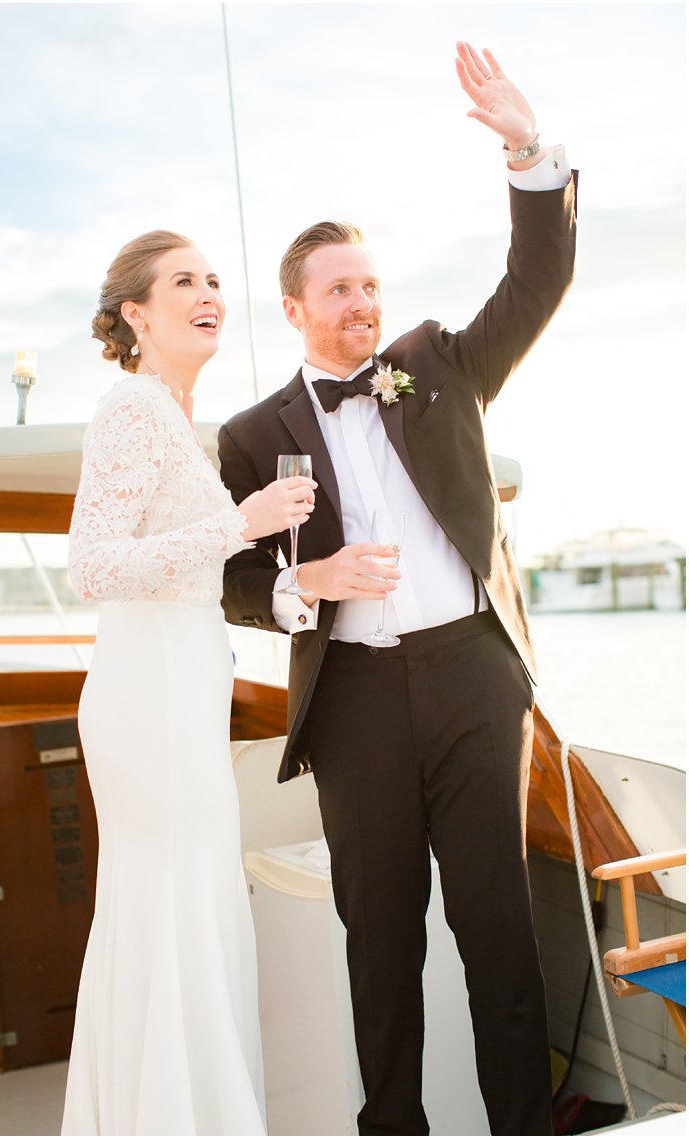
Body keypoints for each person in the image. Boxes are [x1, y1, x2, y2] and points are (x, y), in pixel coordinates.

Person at [216, 43, 576, 1136]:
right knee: (379, 937)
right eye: (338, 290)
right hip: (356, 698)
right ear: (294, 309)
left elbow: (537, 279)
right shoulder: (247, 433)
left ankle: (519, 1121)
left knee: (496, 926)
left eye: (370, 285)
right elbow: (230, 577)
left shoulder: (438, 364)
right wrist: (303, 582)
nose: (362, 303)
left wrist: (526, 149)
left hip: (472, 677)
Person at [63, 231, 315, 1135]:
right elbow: (92, 566)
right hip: (151, 686)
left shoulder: (175, 417)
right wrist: (238, 523)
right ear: (136, 313)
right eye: (184, 282)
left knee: (185, 902)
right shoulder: (131, 407)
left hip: (185, 680)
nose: (210, 292)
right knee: (171, 900)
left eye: (214, 279)